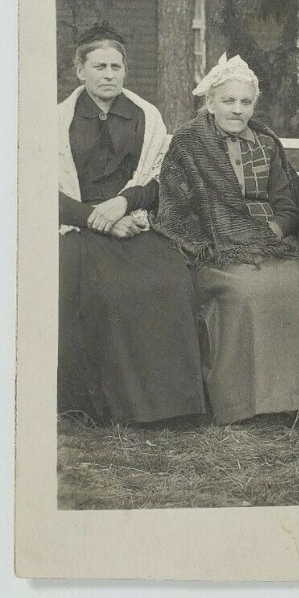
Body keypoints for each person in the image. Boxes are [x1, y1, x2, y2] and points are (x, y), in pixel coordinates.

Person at [152, 53, 299, 425]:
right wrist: (226, 238)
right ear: (210, 103)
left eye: (245, 102)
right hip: (217, 249)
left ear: (254, 105)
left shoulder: (267, 143)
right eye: (228, 101)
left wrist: (272, 231)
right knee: (243, 291)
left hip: (270, 245)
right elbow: (175, 208)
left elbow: (287, 205)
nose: (237, 110)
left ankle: (296, 401)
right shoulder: (190, 143)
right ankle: (241, 405)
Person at [58, 22, 205, 424]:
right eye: (100, 66)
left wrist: (123, 204)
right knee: (102, 287)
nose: (109, 75)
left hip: (133, 218)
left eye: (116, 67)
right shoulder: (59, 121)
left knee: (171, 278)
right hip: (77, 226)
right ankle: (106, 408)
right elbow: (41, 192)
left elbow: (160, 181)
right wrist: (97, 218)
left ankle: (171, 407)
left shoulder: (144, 116)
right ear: (80, 70)